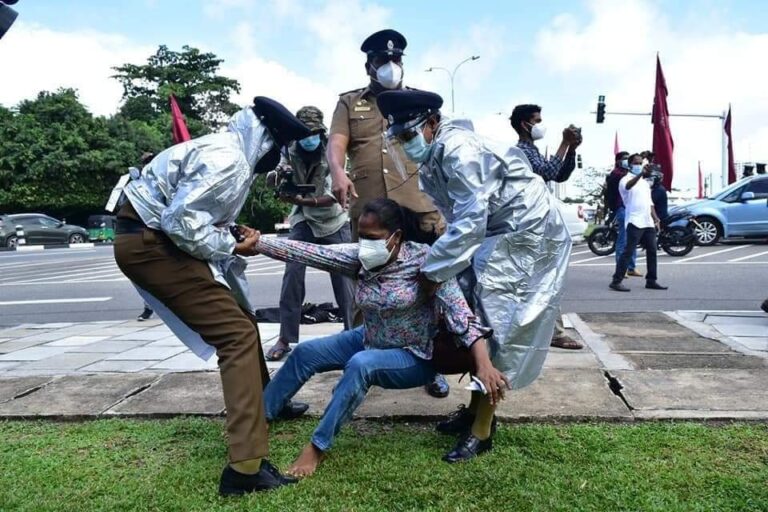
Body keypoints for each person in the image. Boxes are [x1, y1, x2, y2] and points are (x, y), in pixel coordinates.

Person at [114, 97, 312, 496]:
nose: (278, 159)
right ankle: (245, 468)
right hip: (153, 243)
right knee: (235, 335)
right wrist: (233, 246)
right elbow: (180, 222)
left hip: (150, 237)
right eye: (280, 149)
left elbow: (197, 214)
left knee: (243, 319)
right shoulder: (230, 159)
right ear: (266, 140)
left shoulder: (224, 150)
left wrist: (232, 232)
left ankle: (268, 403)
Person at [377, 90, 572, 460]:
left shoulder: (459, 151)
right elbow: (459, 219)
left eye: (408, 136)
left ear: (432, 123)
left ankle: (482, 428)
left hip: (528, 233)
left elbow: (469, 222)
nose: (405, 145)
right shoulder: (437, 155)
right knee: (474, 318)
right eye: (398, 139)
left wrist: (431, 272)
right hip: (499, 234)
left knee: (496, 326)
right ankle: (472, 412)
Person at [254, 198, 507, 476]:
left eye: (372, 238)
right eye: (361, 237)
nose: (365, 245)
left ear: (396, 237)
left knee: (362, 364)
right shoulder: (360, 257)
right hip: (370, 336)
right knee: (305, 352)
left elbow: (461, 315)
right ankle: (261, 417)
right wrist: (257, 242)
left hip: (414, 355)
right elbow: (307, 252)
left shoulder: (426, 263)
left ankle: (317, 447)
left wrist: (483, 364)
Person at [327, 28, 450, 399]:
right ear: (369, 65)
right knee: (366, 288)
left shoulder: (422, 102)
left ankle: (433, 366)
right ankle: (361, 363)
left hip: (420, 207)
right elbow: (337, 144)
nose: (390, 67)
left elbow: (441, 145)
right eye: (383, 61)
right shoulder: (350, 103)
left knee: (432, 288)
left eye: (395, 61)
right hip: (371, 214)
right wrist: (337, 171)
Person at [265, 106, 355, 362]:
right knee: (292, 275)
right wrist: (277, 178)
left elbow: (334, 195)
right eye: (303, 132)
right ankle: (285, 337)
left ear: (321, 132)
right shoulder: (289, 149)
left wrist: (305, 200)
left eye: (312, 133)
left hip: (333, 221)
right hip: (303, 221)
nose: (308, 138)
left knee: (345, 280)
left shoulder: (333, 153)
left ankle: (353, 334)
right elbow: (275, 179)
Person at [511, 104, 583, 350]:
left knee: (542, 279)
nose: (541, 124)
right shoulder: (520, 151)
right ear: (525, 124)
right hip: (528, 226)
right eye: (537, 120)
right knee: (541, 279)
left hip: (538, 224)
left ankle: (551, 331)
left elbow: (560, 175)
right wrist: (564, 143)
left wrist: (571, 149)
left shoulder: (532, 149)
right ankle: (554, 332)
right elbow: (548, 172)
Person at [609, 153, 668, 292]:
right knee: (628, 251)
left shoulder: (645, 183)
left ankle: (651, 280)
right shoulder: (625, 180)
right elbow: (628, 187)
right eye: (636, 163)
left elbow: (649, 203)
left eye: (640, 163)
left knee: (652, 251)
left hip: (647, 221)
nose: (639, 165)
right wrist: (641, 173)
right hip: (634, 220)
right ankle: (616, 280)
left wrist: (656, 218)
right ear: (630, 165)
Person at [605, 151, 640, 276]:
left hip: (632, 208)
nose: (627, 161)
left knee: (633, 238)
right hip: (621, 208)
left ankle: (631, 267)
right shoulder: (616, 174)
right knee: (623, 238)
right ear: (618, 161)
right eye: (625, 159)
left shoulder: (629, 173)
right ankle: (621, 269)